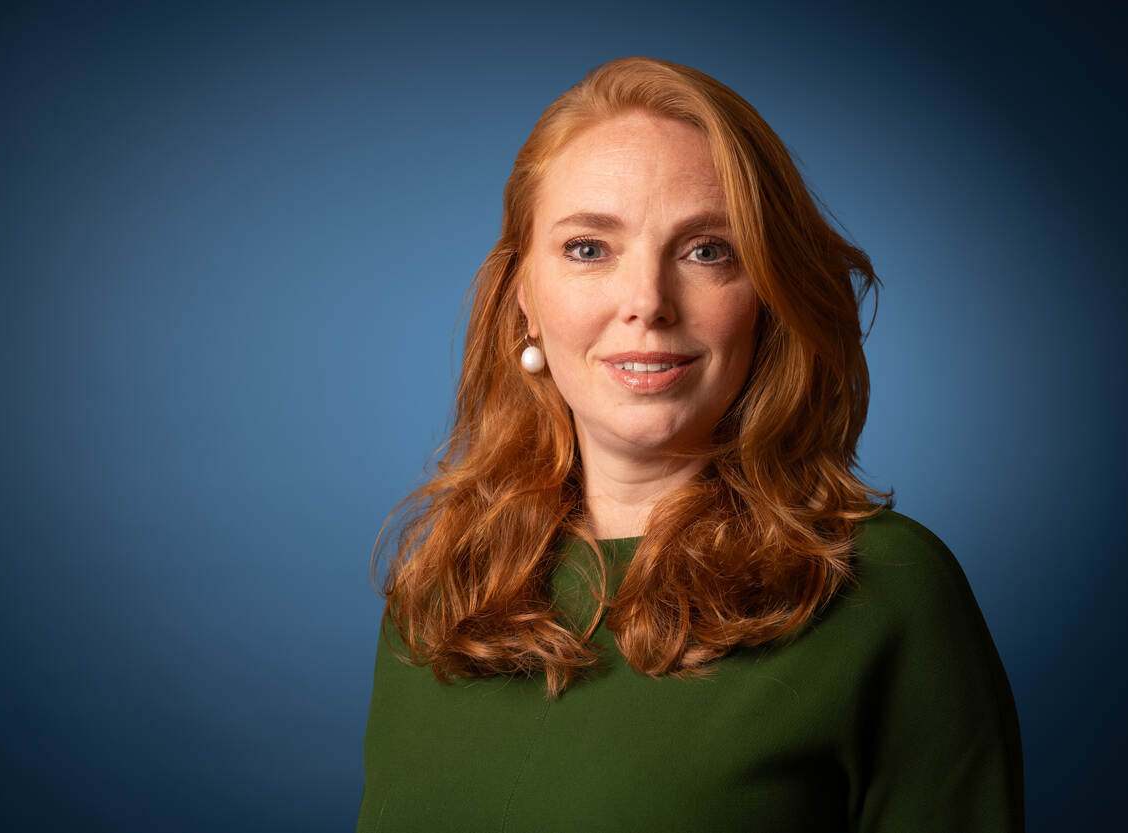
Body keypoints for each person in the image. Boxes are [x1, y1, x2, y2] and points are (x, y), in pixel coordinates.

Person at [357, 56, 1025, 832]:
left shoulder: (887, 592)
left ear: (768, 293)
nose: (647, 302)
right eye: (589, 248)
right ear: (524, 299)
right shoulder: (441, 592)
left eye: (707, 250)